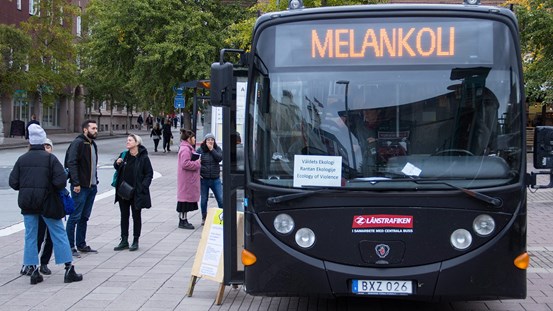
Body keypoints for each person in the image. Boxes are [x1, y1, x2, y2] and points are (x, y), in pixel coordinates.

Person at [9, 124, 83, 285]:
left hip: (28, 204)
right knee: (58, 234)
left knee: (30, 236)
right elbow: (60, 182)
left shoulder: (22, 159)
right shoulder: (50, 159)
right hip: (48, 202)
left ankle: (34, 271)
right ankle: (68, 269)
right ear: (43, 141)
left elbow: (13, 182)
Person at [112, 134, 153, 251]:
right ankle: (124, 240)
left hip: (136, 192)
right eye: (127, 140)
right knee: (124, 216)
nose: (127, 142)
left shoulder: (143, 158)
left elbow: (149, 174)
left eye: (130, 140)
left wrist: (143, 187)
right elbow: (117, 168)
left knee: (136, 216)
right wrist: (117, 163)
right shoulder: (124, 155)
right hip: (123, 191)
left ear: (137, 143)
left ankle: (135, 240)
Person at [65, 120, 99, 258]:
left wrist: (95, 181)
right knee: (75, 216)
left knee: (84, 217)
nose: (96, 130)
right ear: (85, 130)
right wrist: (76, 183)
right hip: (80, 187)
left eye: (96, 128)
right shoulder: (78, 143)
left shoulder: (92, 144)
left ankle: (81, 244)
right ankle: (70, 246)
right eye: (93, 128)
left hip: (91, 186)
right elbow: (71, 163)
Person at [196, 133, 223, 225]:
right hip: (204, 179)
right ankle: (204, 217)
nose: (210, 141)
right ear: (205, 141)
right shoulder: (200, 150)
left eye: (212, 140)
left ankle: (222, 216)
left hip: (215, 179)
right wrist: (198, 173)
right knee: (204, 199)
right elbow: (195, 162)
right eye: (208, 140)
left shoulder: (217, 149)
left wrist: (212, 150)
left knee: (220, 198)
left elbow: (219, 158)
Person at [177, 129, 201, 229]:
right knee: (184, 201)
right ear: (189, 139)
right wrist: (198, 162)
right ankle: (183, 221)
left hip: (187, 178)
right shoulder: (186, 149)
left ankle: (183, 220)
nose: (195, 139)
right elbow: (185, 163)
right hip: (186, 179)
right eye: (193, 138)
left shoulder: (187, 148)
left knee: (185, 200)